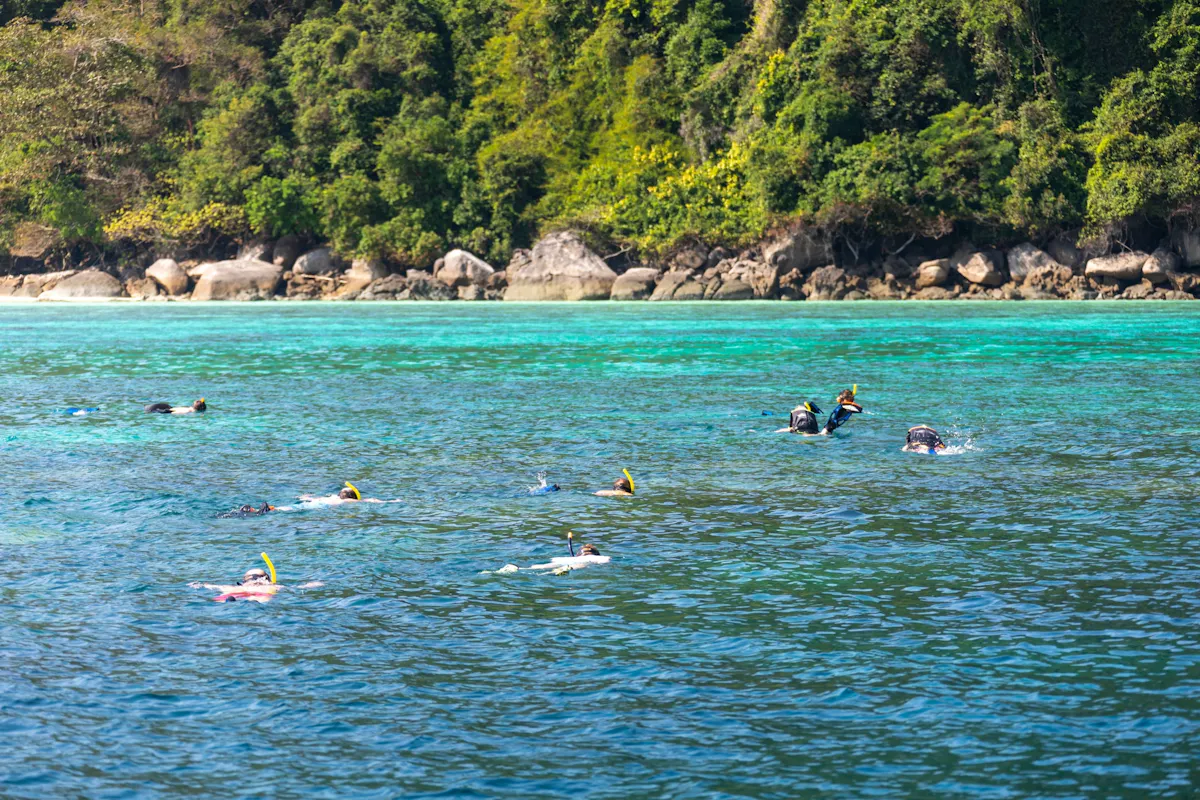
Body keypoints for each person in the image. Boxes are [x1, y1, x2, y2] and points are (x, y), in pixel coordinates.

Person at [491, 532, 611, 575]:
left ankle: (519, 568)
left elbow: (553, 560)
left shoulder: (561, 558)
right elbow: (606, 562)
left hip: (564, 562)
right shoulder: (601, 558)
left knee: (539, 567)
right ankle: (559, 571)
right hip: (574, 565)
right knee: (576, 567)